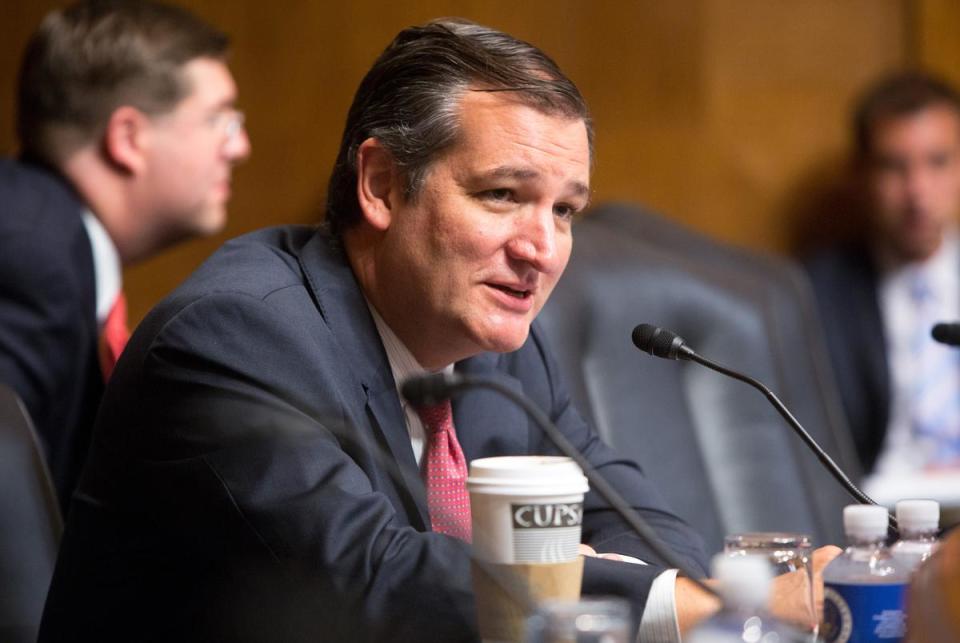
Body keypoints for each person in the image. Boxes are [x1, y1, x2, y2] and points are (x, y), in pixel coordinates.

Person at [40, 19, 832, 642]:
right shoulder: (235, 338)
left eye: (564, 210)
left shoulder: (500, 351)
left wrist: (694, 599)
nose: (543, 249)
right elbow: (376, 579)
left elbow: (633, 519)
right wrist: (696, 607)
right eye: (501, 194)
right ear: (382, 184)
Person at [0, 0, 250, 512]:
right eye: (219, 119)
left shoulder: (49, 237)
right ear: (128, 138)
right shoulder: (29, 254)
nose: (240, 146)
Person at [805, 71, 960, 475]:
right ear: (860, 174)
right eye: (894, 167)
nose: (917, 192)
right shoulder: (814, 293)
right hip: (878, 509)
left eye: (938, 162)